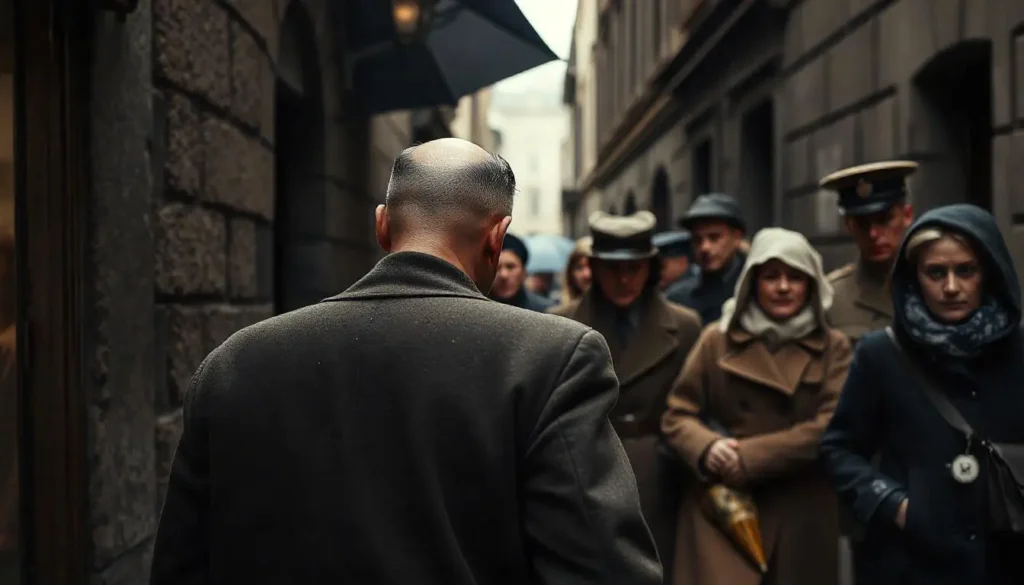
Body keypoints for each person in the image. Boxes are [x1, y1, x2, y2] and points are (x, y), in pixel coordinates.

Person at [150, 138, 662, 585]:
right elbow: (602, 570)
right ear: (496, 235)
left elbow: (182, 566)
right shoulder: (550, 360)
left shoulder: (233, 364)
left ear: (381, 225)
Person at [819, 205, 1024, 585]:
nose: (950, 287)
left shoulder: (1019, 350)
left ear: (989, 273)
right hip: (909, 563)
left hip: (1006, 559)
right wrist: (894, 504)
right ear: (915, 277)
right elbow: (838, 449)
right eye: (935, 273)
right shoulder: (881, 354)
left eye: (965, 270)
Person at [662, 227, 852, 585]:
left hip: (803, 506)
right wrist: (707, 447)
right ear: (752, 281)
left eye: (795, 277)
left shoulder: (833, 347)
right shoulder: (716, 339)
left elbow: (831, 424)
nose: (783, 287)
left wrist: (748, 457)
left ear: (811, 284)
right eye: (771, 276)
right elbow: (678, 414)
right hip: (725, 507)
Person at [551, 210, 702, 584]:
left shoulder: (684, 326)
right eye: (612, 267)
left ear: (651, 268)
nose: (624, 279)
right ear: (594, 268)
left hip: (663, 478)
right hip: (588, 474)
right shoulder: (560, 323)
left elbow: (696, 403)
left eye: (634, 267)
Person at [818, 161, 917, 347]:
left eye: (884, 219)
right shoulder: (831, 298)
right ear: (848, 225)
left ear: (907, 215)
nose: (874, 234)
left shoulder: (932, 285)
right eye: (862, 224)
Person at [667, 193, 747, 325]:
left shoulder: (756, 292)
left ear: (736, 237)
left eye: (714, 238)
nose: (704, 247)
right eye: (697, 240)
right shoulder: (678, 299)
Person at [489, 232, 556, 312]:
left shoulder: (547, 310)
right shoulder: (478, 311)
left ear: (524, 272)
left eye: (511, 267)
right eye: (497, 267)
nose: (504, 275)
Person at [551, 236, 593, 309]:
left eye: (592, 266)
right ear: (570, 274)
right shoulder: (560, 314)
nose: (586, 274)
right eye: (579, 268)